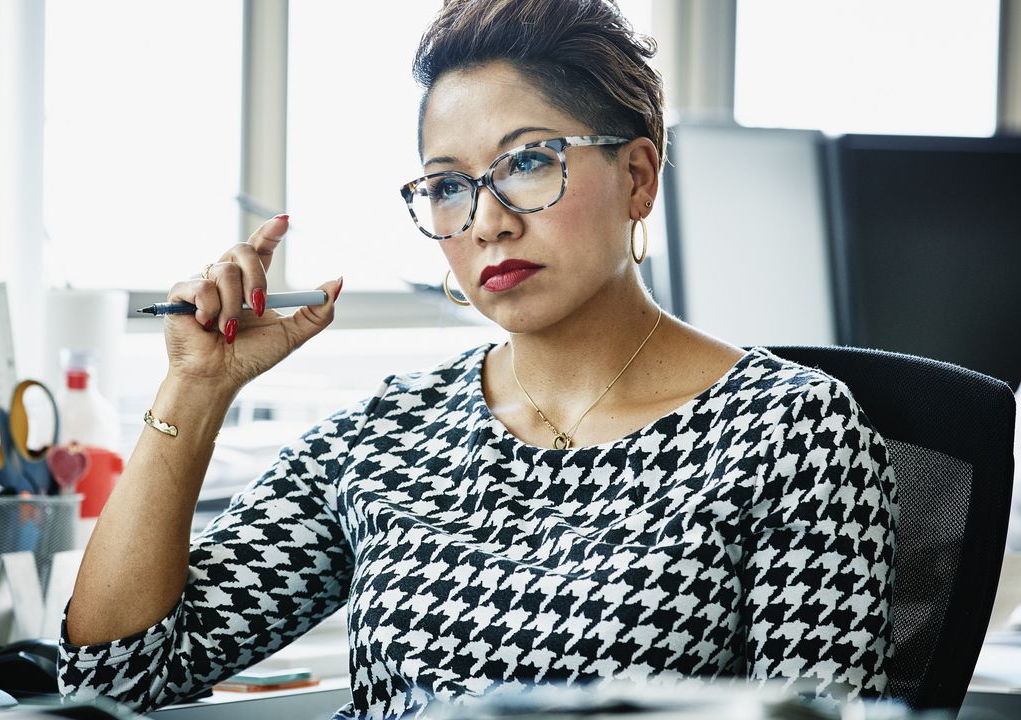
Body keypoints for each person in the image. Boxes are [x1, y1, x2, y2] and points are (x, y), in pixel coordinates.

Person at [58, 0, 898, 717]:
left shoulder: (792, 431)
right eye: (448, 185)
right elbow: (118, 677)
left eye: (528, 163)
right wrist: (195, 390)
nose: (486, 221)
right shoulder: (389, 435)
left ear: (638, 176)